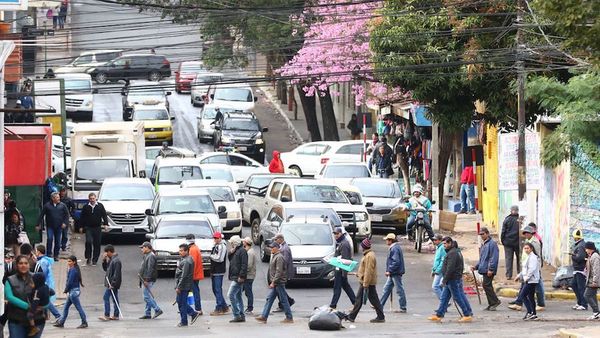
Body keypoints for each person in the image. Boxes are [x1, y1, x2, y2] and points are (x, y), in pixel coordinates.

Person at [429, 237, 473, 322]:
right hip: (451, 279)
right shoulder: (453, 252)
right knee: (444, 298)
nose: (444, 245)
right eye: (443, 244)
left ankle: (467, 314)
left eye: (445, 244)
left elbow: (450, 268)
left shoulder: (452, 253)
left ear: (450, 243)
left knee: (457, 297)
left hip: (453, 279)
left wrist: (444, 280)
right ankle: (439, 314)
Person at [4, 255, 46, 337]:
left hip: (37, 320)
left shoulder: (36, 277)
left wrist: (44, 305)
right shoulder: (10, 280)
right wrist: (28, 306)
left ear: (29, 265)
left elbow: (46, 293)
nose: (23, 265)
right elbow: (9, 297)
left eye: (26, 263)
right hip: (17, 320)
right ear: (16, 265)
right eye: (21, 263)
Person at [345, 238, 385, 323]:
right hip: (366, 281)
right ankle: (380, 316)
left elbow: (368, 271)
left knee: (362, 300)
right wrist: (359, 274)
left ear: (364, 247)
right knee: (371, 299)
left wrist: (365, 284)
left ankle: (352, 316)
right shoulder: (368, 255)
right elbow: (365, 270)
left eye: (362, 246)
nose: (360, 247)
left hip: (367, 282)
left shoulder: (369, 256)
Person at [255, 241, 293, 324]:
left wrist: (273, 282)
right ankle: (264, 316)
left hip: (278, 282)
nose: (271, 249)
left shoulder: (279, 257)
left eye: (272, 247)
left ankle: (289, 317)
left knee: (284, 300)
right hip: (277, 283)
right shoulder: (276, 256)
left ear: (276, 248)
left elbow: (279, 271)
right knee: (270, 299)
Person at [509, 225, 545, 311]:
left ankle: (540, 304)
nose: (525, 235)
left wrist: (536, 269)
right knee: (524, 285)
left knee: (538, 287)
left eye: (527, 233)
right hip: (527, 267)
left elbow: (537, 256)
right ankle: (519, 303)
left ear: (531, 233)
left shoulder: (535, 242)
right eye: (525, 233)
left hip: (533, 268)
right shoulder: (528, 241)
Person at [471, 227, 501, 310]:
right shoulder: (484, 244)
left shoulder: (492, 244)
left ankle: (495, 301)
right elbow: (482, 259)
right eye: (480, 234)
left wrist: (491, 269)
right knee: (486, 286)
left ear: (487, 234)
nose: (481, 236)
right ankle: (491, 303)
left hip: (488, 269)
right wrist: (476, 266)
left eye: (483, 234)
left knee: (486, 285)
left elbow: (494, 257)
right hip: (484, 268)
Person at [54, 255, 87, 329]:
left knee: (78, 308)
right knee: (65, 307)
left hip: (73, 293)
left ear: (74, 262)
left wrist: (65, 290)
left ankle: (84, 322)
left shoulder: (73, 270)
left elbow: (70, 282)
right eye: (68, 261)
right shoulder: (74, 269)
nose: (68, 263)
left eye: (70, 261)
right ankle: (61, 322)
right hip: (73, 291)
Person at [37, 192, 69, 261]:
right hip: (50, 226)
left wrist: (65, 223)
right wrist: (38, 224)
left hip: (59, 226)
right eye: (57, 197)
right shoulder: (47, 206)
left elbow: (67, 215)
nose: (58, 198)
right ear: (52, 198)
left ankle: (56, 255)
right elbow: (41, 215)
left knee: (57, 241)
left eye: (58, 197)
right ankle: (48, 254)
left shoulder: (62, 205)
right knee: (50, 239)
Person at [329, 227, 356, 309]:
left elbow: (345, 259)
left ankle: (333, 305)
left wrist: (344, 273)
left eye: (337, 234)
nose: (336, 235)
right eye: (335, 234)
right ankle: (355, 303)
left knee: (337, 288)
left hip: (340, 270)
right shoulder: (341, 242)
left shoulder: (344, 244)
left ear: (341, 233)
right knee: (346, 287)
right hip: (339, 269)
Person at [379, 233, 407, 312]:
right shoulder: (395, 247)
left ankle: (403, 307)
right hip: (393, 273)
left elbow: (396, 262)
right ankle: (380, 305)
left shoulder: (394, 249)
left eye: (387, 240)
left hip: (395, 273)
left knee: (399, 290)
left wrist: (389, 270)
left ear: (390, 240)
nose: (386, 242)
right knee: (386, 289)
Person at [33, 245, 62, 321]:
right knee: (45, 300)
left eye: (36, 251)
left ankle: (57, 315)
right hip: (45, 283)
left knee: (46, 301)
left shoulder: (43, 262)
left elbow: (43, 274)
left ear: (38, 252)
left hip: (45, 283)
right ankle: (49, 315)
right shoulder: (43, 260)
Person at [175, 243, 201, 327]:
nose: (180, 252)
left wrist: (179, 286)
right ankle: (189, 316)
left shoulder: (187, 261)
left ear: (186, 251)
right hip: (184, 285)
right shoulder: (186, 259)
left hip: (184, 285)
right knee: (180, 302)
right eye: (179, 250)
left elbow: (184, 275)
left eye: (182, 251)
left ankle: (188, 317)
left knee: (182, 303)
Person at [80, 192, 108, 266]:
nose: (92, 200)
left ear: (96, 198)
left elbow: (104, 215)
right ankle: (88, 258)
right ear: (89, 199)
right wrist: (81, 227)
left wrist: (105, 224)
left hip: (97, 228)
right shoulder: (86, 207)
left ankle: (95, 260)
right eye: (91, 198)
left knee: (97, 244)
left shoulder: (100, 206)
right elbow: (82, 217)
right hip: (89, 228)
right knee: (88, 242)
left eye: (93, 198)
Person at [515, 243, 541, 321]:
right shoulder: (529, 257)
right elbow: (525, 269)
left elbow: (531, 270)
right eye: (525, 248)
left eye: (528, 248)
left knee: (522, 295)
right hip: (530, 280)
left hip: (531, 280)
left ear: (531, 249)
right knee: (530, 297)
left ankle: (530, 312)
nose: (526, 250)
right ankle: (533, 314)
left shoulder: (533, 257)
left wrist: (526, 278)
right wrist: (519, 276)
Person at [138, 241, 163, 319]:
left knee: (146, 297)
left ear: (147, 248)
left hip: (147, 279)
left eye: (143, 248)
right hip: (145, 278)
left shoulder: (151, 256)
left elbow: (150, 269)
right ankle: (147, 313)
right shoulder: (147, 255)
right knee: (148, 296)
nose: (141, 249)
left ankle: (157, 309)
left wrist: (147, 279)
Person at [227, 235, 248, 323]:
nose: (230, 244)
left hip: (238, 277)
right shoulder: (236, 250)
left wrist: (241, 276)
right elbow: (231, 260)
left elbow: (244, 265)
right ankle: (241, 315)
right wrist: (230, 252)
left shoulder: (242, 251)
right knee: (238, 296)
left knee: (230, 295)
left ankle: (237, 314)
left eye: (231, 243)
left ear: (234, 243)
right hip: (236, 276)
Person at [273, 233, 295, 312]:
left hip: (283, 273)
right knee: (280, 290)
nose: (275, 241)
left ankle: (284, 305)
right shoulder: (282, 247)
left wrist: (279, 273)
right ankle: (288, 302)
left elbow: (284, 262)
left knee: (280, 290)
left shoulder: (285, 248)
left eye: (276, 240)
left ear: (280, 239)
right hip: (281, 273)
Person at [100, 245, 122, 321]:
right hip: (111, 283)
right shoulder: (111, 260)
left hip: (112, 284)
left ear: (109, 252)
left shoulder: (116, 261)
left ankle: (107, 315)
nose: (105, 254)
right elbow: (106, 269)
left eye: (106, 252)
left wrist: (112, 284)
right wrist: (104, 260)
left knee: (106, 297)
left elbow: (116, 274)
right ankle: (116, 315)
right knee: (115, 298)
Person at [209, 232, 229, 315]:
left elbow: (219, 259)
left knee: (217, 289)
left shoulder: (222, 246)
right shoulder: (216, 246)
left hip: (218, 270)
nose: (216, 239)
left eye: (217, 238)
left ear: (220, 238)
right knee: (215, 289)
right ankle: (224, 306)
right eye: (215, 238)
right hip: (214, 270)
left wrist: (211, 256)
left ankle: (219, 308)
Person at [501, 205, 521, 279]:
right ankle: (520, 273)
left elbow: (503, 232)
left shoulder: (507, 219)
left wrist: (503, 241)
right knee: (519, 259)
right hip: (517, 243)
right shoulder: (520, 219)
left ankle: (509, 275)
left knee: (508, 259)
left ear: (510, 210)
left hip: (508, 243)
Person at [186, 234, 204, 314]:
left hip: (193, 275)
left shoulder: (192, 250)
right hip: (195, 274)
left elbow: (192, 263)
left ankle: (198, 308)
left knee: (194, 291)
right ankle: (187, 307)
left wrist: (189, 275)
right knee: (191, 291)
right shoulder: (195, 248)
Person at [571, 229, 588, 311]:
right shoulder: (580, 244)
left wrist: (572, 256)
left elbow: (580, 258)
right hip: (578, 269)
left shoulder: (580, 245)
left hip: (580, 269)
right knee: (574, 285)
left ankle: (584, 304)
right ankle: (580, 302)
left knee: (581, 287)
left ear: (576, 237)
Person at [583, 242, 600, 320]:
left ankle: (596, 312)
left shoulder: (595, 256)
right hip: (591, 280)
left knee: (587, 295)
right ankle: (596, 313)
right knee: (592, 296)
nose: (585, 250)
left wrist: (595, 281)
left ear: (590, 248)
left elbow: (596, 270)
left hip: (593, 281)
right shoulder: (591, 256)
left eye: (586, 249)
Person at [242, 237, 256, 314]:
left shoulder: (250, 253)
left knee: (248, 291)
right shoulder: (249, 251)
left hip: (249, 275)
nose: (242, 242)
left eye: (244, 241)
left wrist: (243, 271)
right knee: (242, 290)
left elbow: (249, 265)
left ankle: (250, 308)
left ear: (246, 243)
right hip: (248, 275)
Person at [59, 187, 75, 252]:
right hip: (58, 217)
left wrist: (71, 214)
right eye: (61, 191)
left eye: (64, 191)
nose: (63, 193)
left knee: (64, 234)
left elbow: (73, 207)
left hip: (65, 218)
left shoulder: (68, 200)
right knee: (58, 233)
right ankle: (58, 245)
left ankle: (63, 246)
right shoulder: (58, 199)